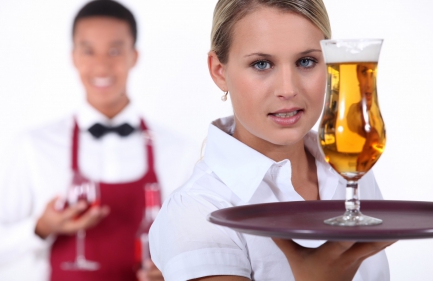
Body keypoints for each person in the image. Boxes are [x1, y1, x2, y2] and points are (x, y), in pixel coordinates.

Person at [149, 0, 394, 280]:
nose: (288, 89)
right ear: (219, 71)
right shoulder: (196, 210)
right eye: (261, 64)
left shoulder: (352, 173)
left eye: (306, 61)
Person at [0, 1, 197, 280]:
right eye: (88, 51)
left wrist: (173, 270)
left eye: (115, 51)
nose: (101, 64)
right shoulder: (33, 147)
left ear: (134, 56)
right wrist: (41, 227)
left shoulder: (178, 150)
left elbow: (200, 249)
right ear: (73, 57)